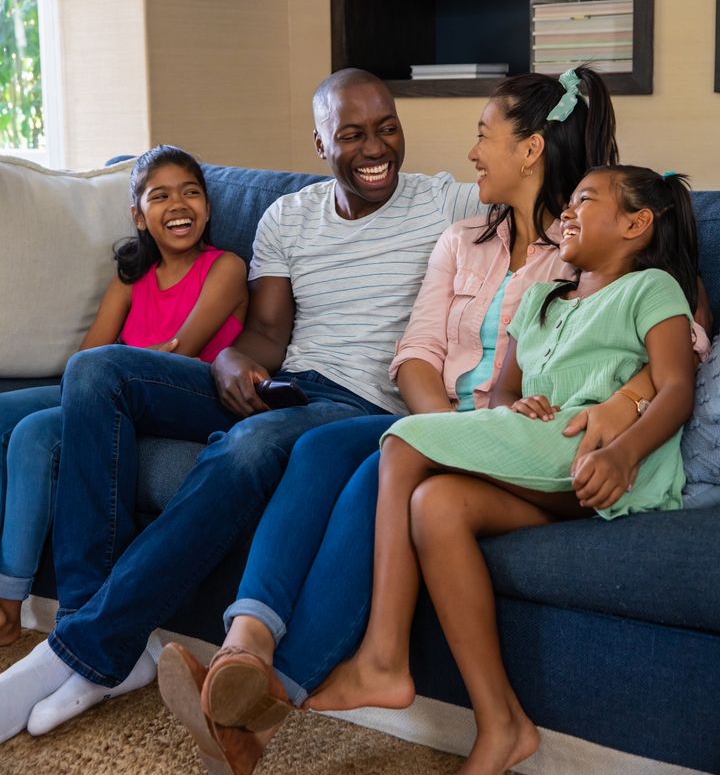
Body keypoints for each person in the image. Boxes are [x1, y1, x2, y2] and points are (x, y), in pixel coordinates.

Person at [158, 68, 676, 774]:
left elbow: (681, 332)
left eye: (483, 135)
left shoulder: (589, 247)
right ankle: (249, 650)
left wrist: (625, 405)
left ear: (528, 151)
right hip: (456, 426)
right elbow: (417, 353)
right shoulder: (462, 235)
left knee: (377, 462)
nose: (469, 152)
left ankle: (294, 675)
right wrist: (444, 435)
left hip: (526, 443)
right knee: (338, 457)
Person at [0, 68, 482, 745]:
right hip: (284, 385)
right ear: (319, 143)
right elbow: (266, 334)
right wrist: (233, 361)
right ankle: (95, 623)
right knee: (96, 370)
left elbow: (552, 186)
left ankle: (75, 652)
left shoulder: (444, 202)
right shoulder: (289, 216)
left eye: (387, 128)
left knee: (252, 445)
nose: (376, 148)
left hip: (360, 407)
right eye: (352, 134)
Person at [311, 165, 700, 775]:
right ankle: (502, 725)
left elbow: (678, 386)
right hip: (547, 451)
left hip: (602, 458)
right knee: (434, 505)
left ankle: (383, 658)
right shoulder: (541, 299)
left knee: (402, 444)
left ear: (636, 223)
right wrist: (516, 406)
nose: (567, 212)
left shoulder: (652, 289)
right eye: (568, 201)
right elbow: (500, 398)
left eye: (586, 201)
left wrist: (624, 452)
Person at [0, 144, 248, 648]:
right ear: (138, 215)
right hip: (108, 395)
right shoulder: (131, 279)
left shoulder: (226, 268)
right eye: (160, 196)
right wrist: (113, 363)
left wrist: (121, 360)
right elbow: (82, 365)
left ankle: (9, 599)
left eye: (191, 192)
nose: (178, 205)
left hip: (182, 397)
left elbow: (182, 351)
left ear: (207, 206)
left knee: (33, 433)